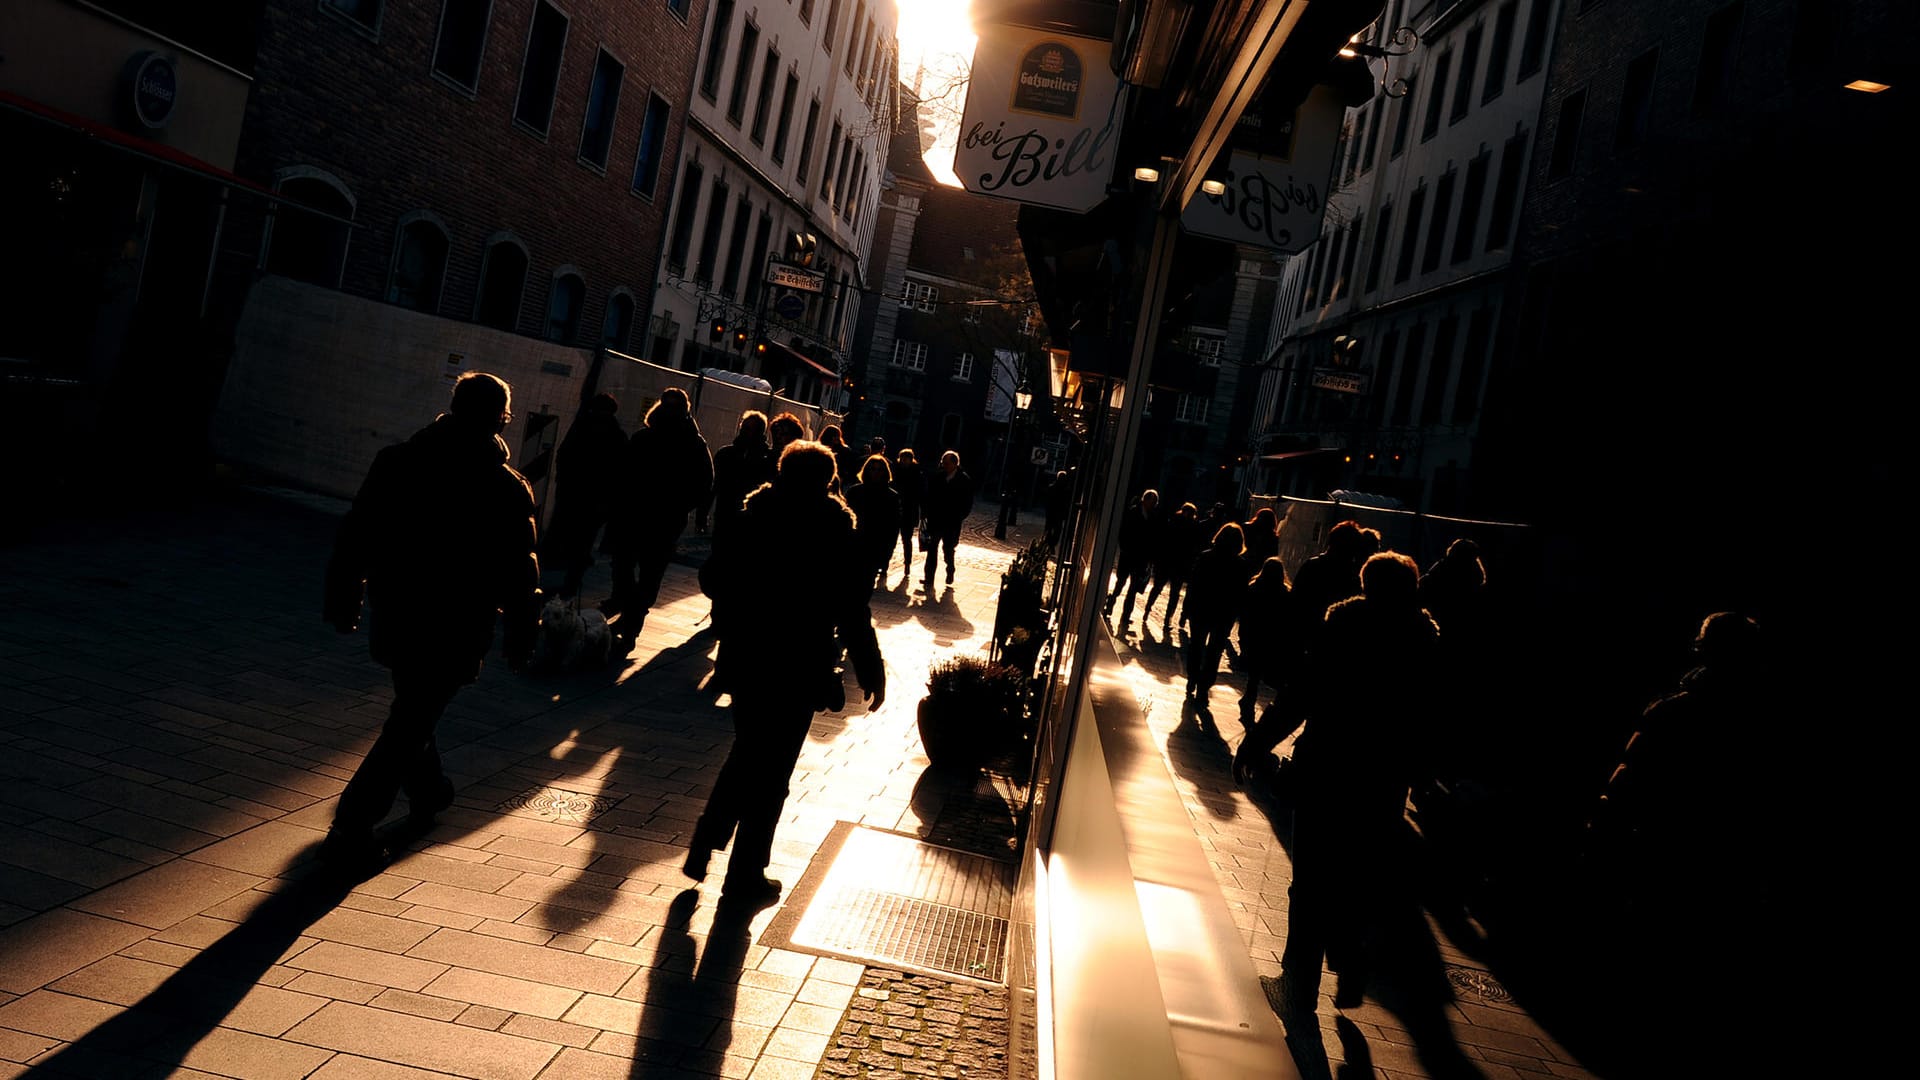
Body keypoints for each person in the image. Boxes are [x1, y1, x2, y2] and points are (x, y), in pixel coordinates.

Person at [320, 372, 540, 866]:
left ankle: (431, 789)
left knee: (413, 707)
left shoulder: (397, 462)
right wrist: (523, 630)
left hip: (397, 611)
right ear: (501, 419)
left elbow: (357, 535)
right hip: (459, 625)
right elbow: (518, 570)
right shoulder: (506, 488)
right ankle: (352, 824)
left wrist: (344, 595)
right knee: (412, 718)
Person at [1235, 551, 1441, 1018]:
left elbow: (1302, 694)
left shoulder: (1345, 625)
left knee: (1310, 882)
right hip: (1383, 785)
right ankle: (1350, 970)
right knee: (1356, 878)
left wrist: (1256, 743)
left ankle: (1298, 986)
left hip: (1327, 772)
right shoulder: (1425, 642)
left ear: (1367, 585)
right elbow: (1431, 719)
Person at [686, 440, 886, 906]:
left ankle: (708, 838)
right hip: (800, 664)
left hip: (748, 657)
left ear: (782, 470)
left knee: (747, 751)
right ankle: (744, 874)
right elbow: (853, 610)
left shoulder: (752, 515)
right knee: (771, 770)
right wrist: (870, 668)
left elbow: (712, 578)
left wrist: (741, 605)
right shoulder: (837, 529)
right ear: (827, 480)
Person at [605, 388, 712, 644]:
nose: (670, 410)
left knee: (649, 573)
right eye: (667, 404)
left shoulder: (693, 444)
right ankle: (630, 612)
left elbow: (704, 482)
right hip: (635, 515)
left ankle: (631, 623)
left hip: (664, 519)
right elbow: (623, 473)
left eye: (676, 406)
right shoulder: (645, 437)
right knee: (624, 567)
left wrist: (680, 506)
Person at [1182, 521, 1249, 705]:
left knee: (1196, 646)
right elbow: (1241, 593)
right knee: (1214, 652)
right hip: (1223, 613)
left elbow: (1193, 584)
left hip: (1201, 609)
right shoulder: (1240, 565)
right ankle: (1204, 686)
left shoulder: (1205, 557)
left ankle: (1192, 678)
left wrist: (1187, 608)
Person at [1236, 555, 1298, 723]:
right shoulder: (1285, 593)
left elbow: (1245, 615)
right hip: (1272, 640)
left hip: (1254, 637)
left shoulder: (1254, 588)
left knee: (1254, 675)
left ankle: (1248, 701)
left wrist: (1242, 637)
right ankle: (1249, 702)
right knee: (1263, 674)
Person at [708, 410, 776, 543]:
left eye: (750, 429)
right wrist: (703, 513)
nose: (745, 432)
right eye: (744, 428)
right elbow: (714, 485)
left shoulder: (767, 459)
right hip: (725, 516)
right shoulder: (726, 454)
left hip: (749, 519)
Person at [1103, 488, 1162, 633]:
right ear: (1145, 500)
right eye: (1152, 502)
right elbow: (1123, 532)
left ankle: (1126, 615)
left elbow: (1153, 539)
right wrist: (1125, 548)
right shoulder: (1133, 512)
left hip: (1140, 559)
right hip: (1129, 555)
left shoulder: (1153, 516)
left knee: (1133, 589)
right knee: (1120, 584)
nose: (1153, 505)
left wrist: (1150, 558)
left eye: (1155, 503)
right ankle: (1110, 604)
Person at [844, 454, 902, 592]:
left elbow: (893, 526)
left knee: (866, 586)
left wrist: (888, 550)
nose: (876, 473)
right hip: (855, 544)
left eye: (879, 470)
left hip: (876, 545)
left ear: (885, 472)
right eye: (873, 469)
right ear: (866, 470)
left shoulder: (891, 496)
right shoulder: (855, 491)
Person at [1144, 501, 1202, 636]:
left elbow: (1163, 541)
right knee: (1173, 594)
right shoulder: (1193, 527)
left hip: (1167, 562)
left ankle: (1149, 609)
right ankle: (1166, 619)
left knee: (1158, 588)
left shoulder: (1173, 522)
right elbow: (1193, 549)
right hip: (1179, 565)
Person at [921, 450, 975, 589]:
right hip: (936, 520)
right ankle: (929, 578)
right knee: (932, 548)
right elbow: (929, 496)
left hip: (952, 522)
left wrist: (959, 517)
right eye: (943, 462)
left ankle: (950, 569)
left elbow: (967, 502)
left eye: (946, 463)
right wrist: (926, 513)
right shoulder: (937, 477)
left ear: (955, 464)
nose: (943, 465)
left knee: (948, 549)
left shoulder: (964, 480)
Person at [892, 448, 925, 572]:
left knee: (906, 539)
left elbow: (921, 494)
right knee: (891, 538)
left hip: (909, 511)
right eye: (902, 459)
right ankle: (884, 564)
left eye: (906, 459)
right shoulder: (895, 471)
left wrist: (923, 513)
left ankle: (907, 563)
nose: (903, 461)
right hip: (895, 510)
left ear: (911, 460)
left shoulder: (917, 474)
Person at [1242, 506, 1281, 573]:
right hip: (1259, 566)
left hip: (1244, 560)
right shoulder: (1272, 537)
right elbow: (1273, 554)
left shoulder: (1246, 528)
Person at [1043, 469, 1072, 551]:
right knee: (1056, 530)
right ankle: (1050, 544)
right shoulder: (1066, 490)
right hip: (1057, 513)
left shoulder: (1053, 487)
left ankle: (1048, 544)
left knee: (1050, 529)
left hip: (1053, 512)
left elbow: (1047, 500)